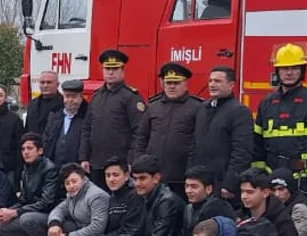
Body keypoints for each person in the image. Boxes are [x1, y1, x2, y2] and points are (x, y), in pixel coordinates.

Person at [253, 43, 307, 198]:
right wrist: (259, 176)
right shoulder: (266, 103)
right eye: (284, 68)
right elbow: (257, 145)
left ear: (302, 71)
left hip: (306, 180)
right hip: (273, 180)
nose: (289, 73)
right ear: (277, 71)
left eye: (294, 68)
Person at [131, 62, 201, 201]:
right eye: (168, 83)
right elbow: (141, 138)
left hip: (182, 177)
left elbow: (199, 143)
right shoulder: (153, 106)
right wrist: (138, 164)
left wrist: (193, 171)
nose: (172, 86)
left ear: (185, 83)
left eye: (176, 83)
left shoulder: (197, 108)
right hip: (154, 176)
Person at [80, 49, 145, 189]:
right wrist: (84, 157)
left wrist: (132, 161)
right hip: (96, 164)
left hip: (120, 166)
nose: (110, 72)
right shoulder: (96, 96)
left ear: (123, 71)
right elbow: (87, 128)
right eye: (107, 69)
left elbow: (139, 132)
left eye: (115, 69)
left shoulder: (131, 97)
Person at [0, 133, 61, 236]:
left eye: (30, 148)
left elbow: (47, 202)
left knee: (27, 219)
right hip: (33, 211)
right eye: (23, 149)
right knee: (2, 226)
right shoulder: (26, 170)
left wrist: (15, 213)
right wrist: (8, 211)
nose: (25, 152)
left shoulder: (50, 169)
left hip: (52, 214)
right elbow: (24, 199)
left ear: (40, 151)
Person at [77, 157, 145, 236]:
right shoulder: (111, 197)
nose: (111, 179)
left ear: (126, 176)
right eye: (108, 175)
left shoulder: (135, 196)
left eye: (115, 175)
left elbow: (130, 230)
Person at [190, 66, 254, 205]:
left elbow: (242, 152)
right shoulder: (203, 109)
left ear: (231, 85)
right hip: (202, 183)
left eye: (218, 81)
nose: (212, 84)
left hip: (223, 186)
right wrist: (191, 177)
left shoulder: (239, 112)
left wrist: (230, 183)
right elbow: (194, 146)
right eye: (210, 81)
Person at [47, 163, 110, 236]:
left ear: (83, 179)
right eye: (67, 183)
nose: (71, 186)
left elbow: (97, 228)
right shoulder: (72, 195)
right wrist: (54, 224)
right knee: (60, 226)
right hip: (82, 231)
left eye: (74, 181)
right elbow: (59, 209)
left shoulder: (97, 196)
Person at [42, 80, 88, 168]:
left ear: (81, 97)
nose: (70, 100)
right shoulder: (54, 116)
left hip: (77, 168)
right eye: (67, 96)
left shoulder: (87, 117)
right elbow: (46, 138)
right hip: (55, 167)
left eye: (74, 97)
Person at [25, 70, 63, 135]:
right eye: (42, 82)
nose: (45, 85)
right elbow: (27, 129)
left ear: (57, 84)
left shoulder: (64, 104)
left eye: (49, 82)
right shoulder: (32, 104)